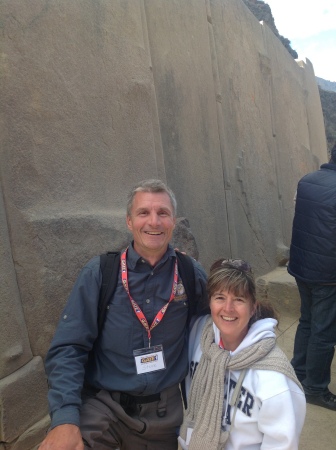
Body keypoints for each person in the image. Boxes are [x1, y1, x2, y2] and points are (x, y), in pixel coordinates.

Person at [39, 179, 207, 450]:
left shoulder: (190, 274)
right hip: (104, 408)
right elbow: (69, 348)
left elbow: (225, 322)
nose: (154, 222)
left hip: (167, 416)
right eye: (144, 213)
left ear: (173, 221)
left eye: (162, 213)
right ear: (129, 222)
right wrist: (64, 418)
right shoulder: (101, 274)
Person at [178, 258, 306, 450]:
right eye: (220, 297)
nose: (228, 309)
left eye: (239, 299)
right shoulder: (199, 336)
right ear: (210, 302)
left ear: (253, 306)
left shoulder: (276, 380)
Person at [288, 143, 336, 411]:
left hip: (302, 266)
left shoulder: (307, 181)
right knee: (324, 331)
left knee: (307, 321)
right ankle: (315, 388)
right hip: (328, 273)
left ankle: (297, 373)